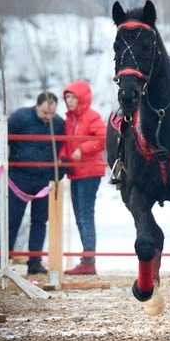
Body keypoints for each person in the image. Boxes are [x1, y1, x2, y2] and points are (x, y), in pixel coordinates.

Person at [0, 92, 64, 274]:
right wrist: (1, 162)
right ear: (37, 106)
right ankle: (3, 257)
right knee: (12, 219)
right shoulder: (20, 117)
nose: (48, 117)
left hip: (44, 179)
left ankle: (35, 261)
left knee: (39, 221)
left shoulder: (58, 124)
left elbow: (61, 148)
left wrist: (59, 171)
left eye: (51, 113)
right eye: (44, 113)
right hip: (19, 177)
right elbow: (3, 140)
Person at [59, 81, 106, 275]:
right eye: (67, 97)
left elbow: (102, 139)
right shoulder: (69, 120)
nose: (69, 101)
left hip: (90, 172)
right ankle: (87, 259)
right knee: (80, 217)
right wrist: (63, 155)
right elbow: (66, 142)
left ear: (82, 98)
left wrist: (82, 149)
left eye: (73, 97)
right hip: (76, 172)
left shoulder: (92, 116)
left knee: (85, 216)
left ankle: (89, 260)